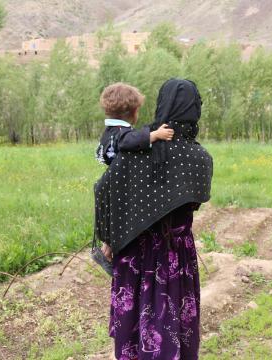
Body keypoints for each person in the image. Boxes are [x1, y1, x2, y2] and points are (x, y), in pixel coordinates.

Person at [94, 78, 213, 360]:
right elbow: (194, 201)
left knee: (134, 322)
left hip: (134, 251)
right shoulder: (201, 158)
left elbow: (104, 190)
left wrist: (109, 238)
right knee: (173, 320)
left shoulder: (133, 151)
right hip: (176, 256)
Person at [95, 82, 174, 166]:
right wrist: (156, 135)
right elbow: (131, 140)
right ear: (134, 112)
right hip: (122, 175)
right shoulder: (121, 132)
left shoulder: (110, 130)